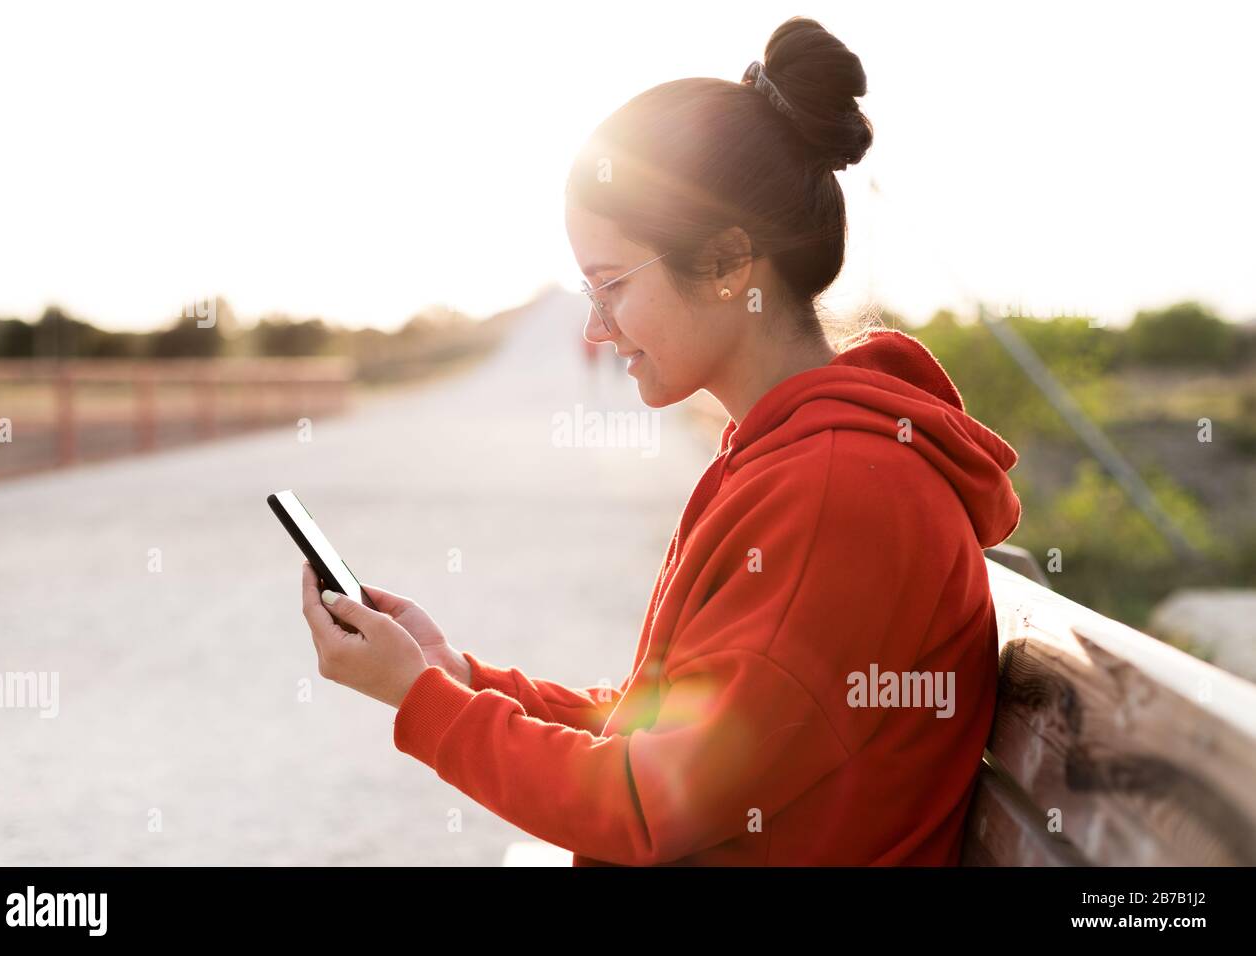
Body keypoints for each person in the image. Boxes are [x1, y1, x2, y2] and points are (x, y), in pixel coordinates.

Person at [300, 16, 1021, 866]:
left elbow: (647, 805)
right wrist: (456, 677)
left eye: (612, 285)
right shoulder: (798, 459)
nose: (597, 328)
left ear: (726, 263)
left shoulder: (837, 491)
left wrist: (423, 703)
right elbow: (676, 737)